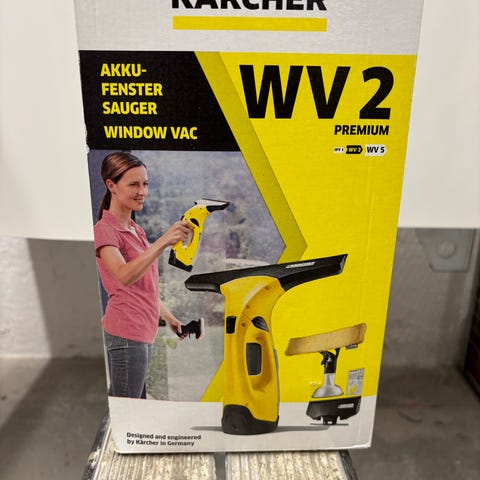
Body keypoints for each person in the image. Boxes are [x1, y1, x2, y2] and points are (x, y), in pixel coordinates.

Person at [94, 151, 192, 399]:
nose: (142, 192)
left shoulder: (136, 230)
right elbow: (123, 276)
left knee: (128, 403)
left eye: (145, 184)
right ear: (111, 185)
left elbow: (143, 286)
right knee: (128, 408)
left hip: (142, 331)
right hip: (126, 331)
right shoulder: (104, 230)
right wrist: (163, 241)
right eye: (134, 185)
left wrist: (169, 318)